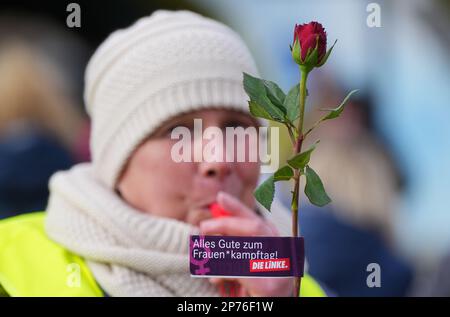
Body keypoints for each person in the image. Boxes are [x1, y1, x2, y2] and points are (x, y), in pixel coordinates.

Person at [0, 10, 325, 297]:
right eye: (177, 131)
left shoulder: (295, 284)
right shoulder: (11, 266)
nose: (219, 160)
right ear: (117, 160)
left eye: (235, 128)